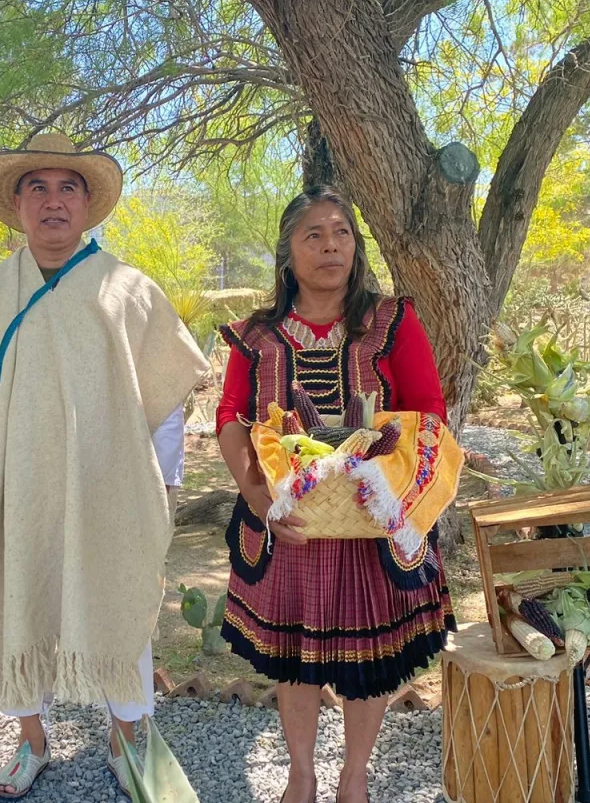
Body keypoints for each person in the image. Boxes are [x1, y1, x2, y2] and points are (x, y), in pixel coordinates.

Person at [0, 131, 208, 799]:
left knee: (120, 597)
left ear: (87, 205)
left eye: (68, 188)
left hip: (112, 483)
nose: (53, 201)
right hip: (15, 485)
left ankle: (125, 737)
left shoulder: (128, 290)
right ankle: (32, 741)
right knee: (19, 600)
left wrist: (165, 482)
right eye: (38, 187)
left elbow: (166, 398)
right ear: (19, 206)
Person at [215, 186, 457, 803]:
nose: (330, 246)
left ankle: (355, 776)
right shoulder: (257, 336)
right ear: (287, 253)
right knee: (296, 656)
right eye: (313, 235)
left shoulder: (391, 322)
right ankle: (301, 774)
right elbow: (231, 418)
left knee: (367, 659)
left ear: (356, 245)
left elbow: (428, 412)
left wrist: (390, 486)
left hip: (371, 527)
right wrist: (262, 499)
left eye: (341, 233)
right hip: (288, 525)